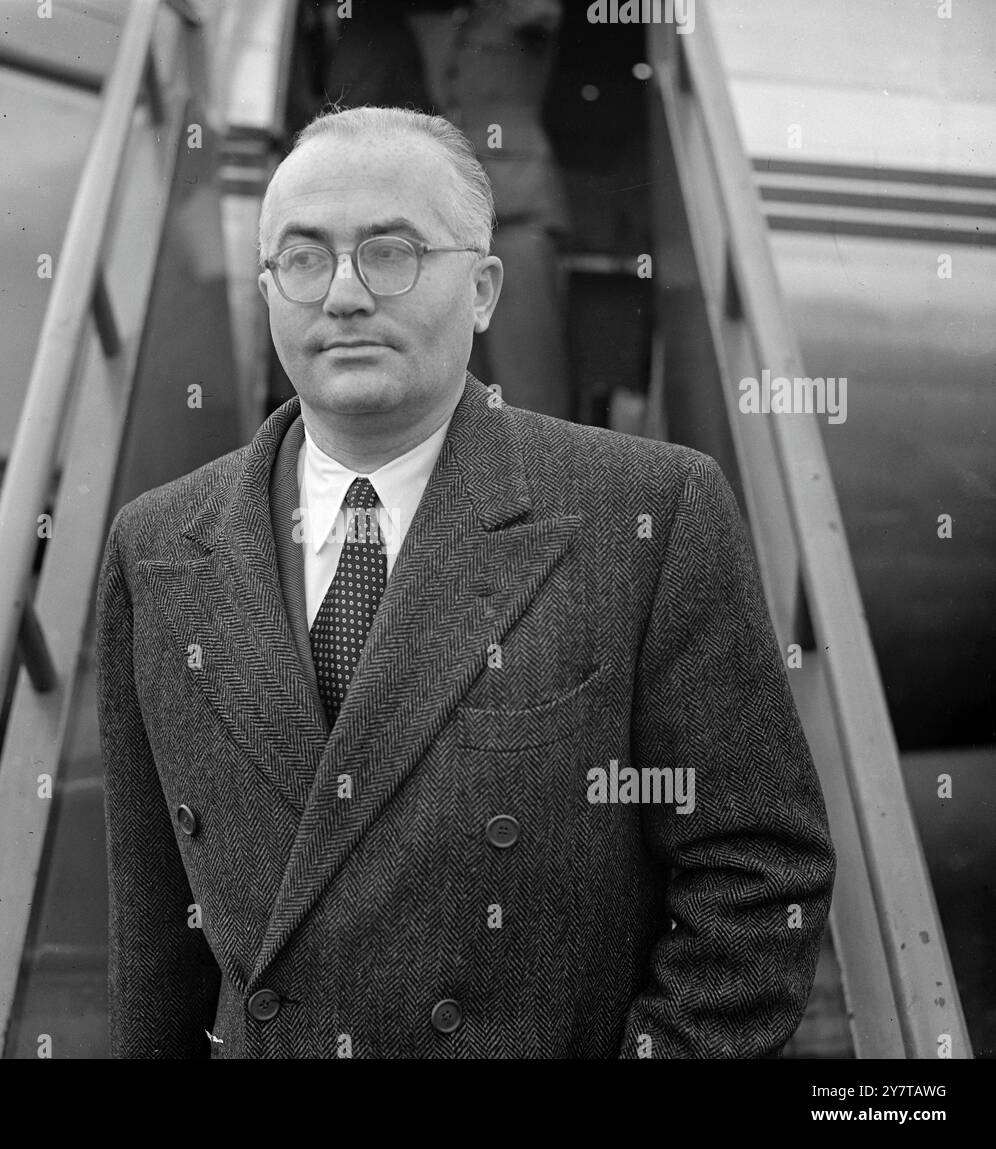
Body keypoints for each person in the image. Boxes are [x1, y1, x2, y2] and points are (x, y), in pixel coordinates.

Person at [96, 105, 835, 1058]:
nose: (346, 295)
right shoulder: (156, 548)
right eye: (304, 258)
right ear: (268, 287)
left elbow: (758, 868)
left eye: (392, 252)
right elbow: (156, 930)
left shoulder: (647, 514)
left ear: (484, 288)